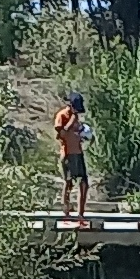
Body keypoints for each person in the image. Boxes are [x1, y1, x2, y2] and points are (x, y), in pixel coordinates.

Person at [54, 91, 91, 221]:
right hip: (68, 153)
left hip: (78, 152)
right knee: (69, 182)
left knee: (84, 182)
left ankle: (81, 213)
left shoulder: (76, 118)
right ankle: (66, 211)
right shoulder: (62, 115)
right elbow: (61, 134)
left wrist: (83, 135)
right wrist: (72, 120)